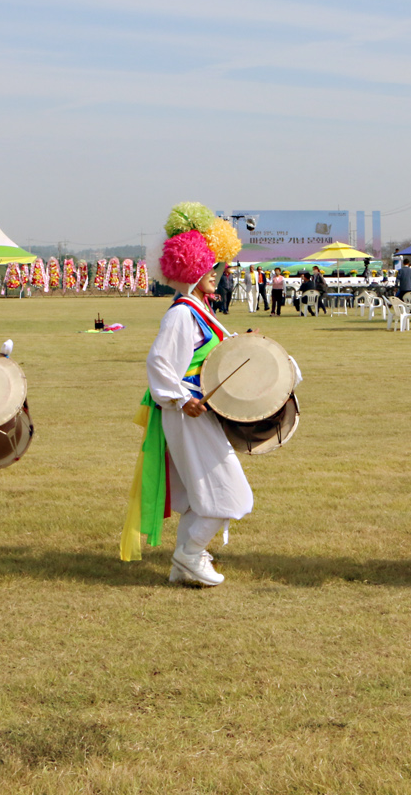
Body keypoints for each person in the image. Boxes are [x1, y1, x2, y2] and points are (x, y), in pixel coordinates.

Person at [120, 203, 297, 587]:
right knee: (228, 495)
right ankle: (188, 555)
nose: (219, 275)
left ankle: (184, 563)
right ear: (192, 269)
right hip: (188, 414)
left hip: (197, 413)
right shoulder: (182, 314)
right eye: (212, 268)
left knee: (203, 494)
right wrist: (182, 399)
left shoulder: (200, 309)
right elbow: (160, 363)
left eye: (219, 268)